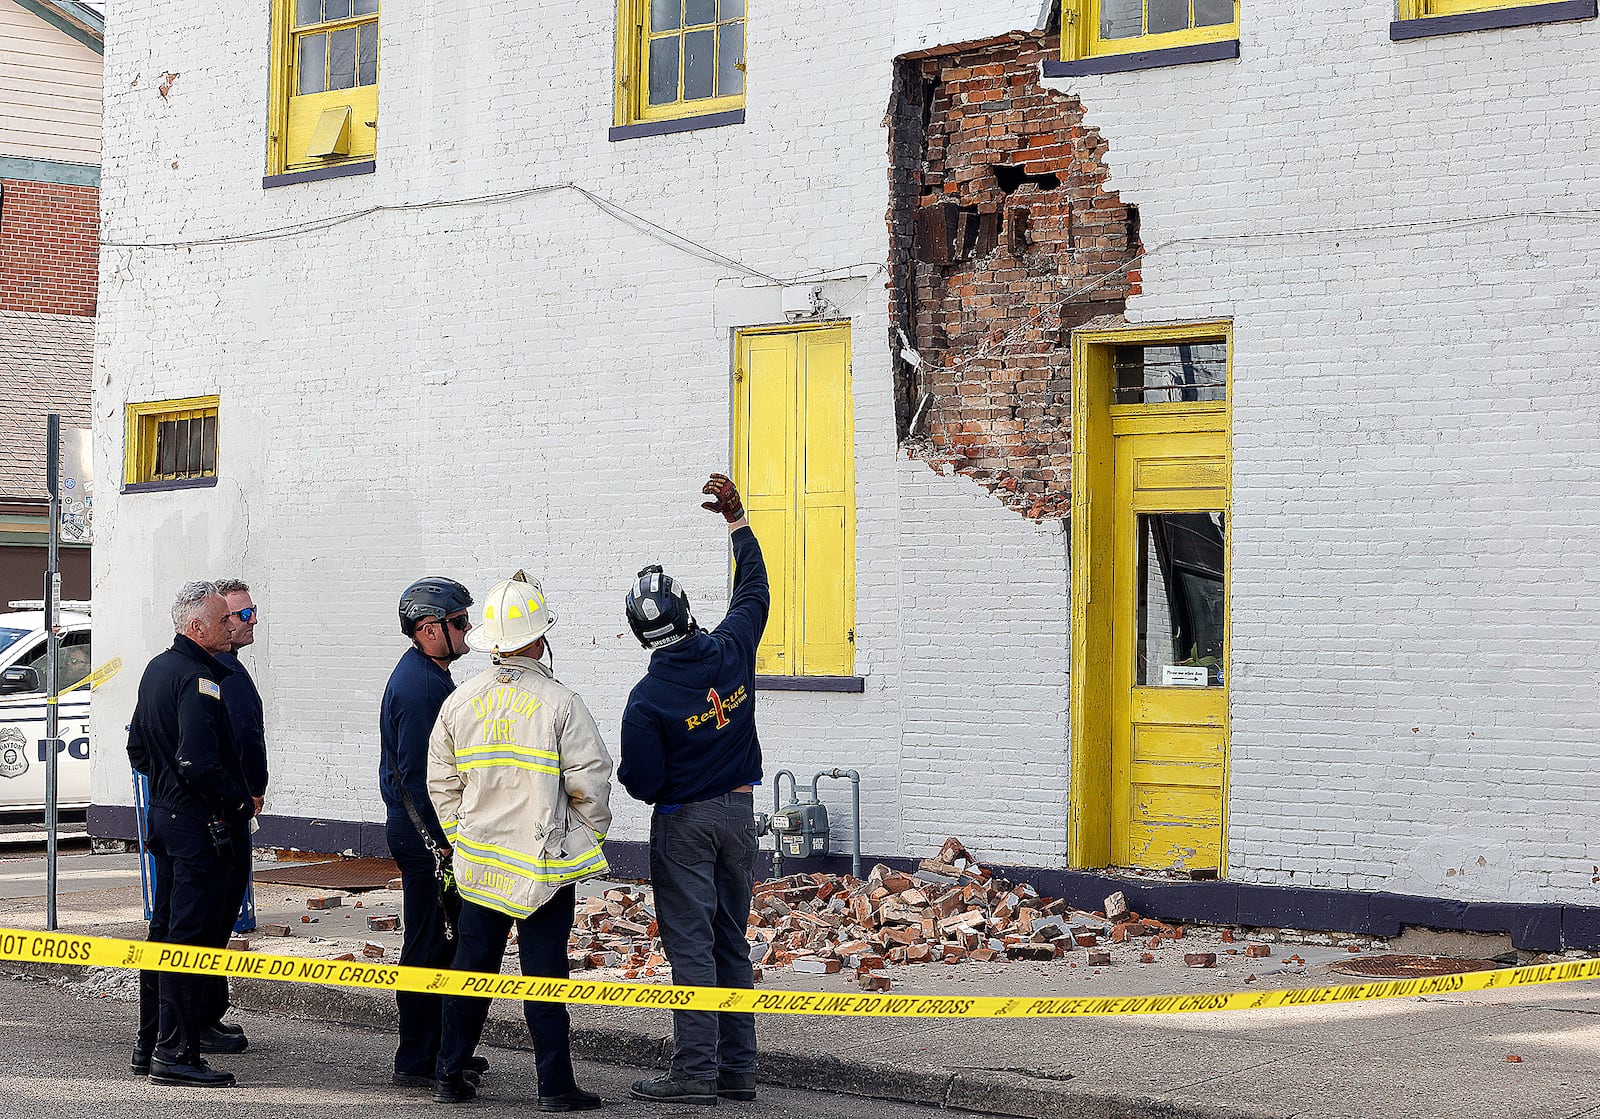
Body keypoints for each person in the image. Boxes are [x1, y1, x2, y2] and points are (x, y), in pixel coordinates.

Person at [428, 571, 613, 1109]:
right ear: (538, 638)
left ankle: (449, 1073)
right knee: (545, 982)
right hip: (542, 871)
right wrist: (577, 842)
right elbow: (591, 785)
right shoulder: (561, 703)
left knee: (470, 972)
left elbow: (441, 783)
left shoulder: (459, 702)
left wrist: (464, 838)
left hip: (480, 867)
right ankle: (555, 1088)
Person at [619, 474, 769, 1106]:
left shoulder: (647, 700)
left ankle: (695, 1074)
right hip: (739, 811)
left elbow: (643, 782)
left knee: (691, 946)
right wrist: (736, 520)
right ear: (685, 610)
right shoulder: (732, 650)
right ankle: (737, 1070)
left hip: (683, 824)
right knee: (731, 938)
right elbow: (754, 589)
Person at [126, 581, 254, 1088]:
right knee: (190, 939)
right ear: (196, 628)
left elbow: (138, 748)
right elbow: (198, 761)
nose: (232, 626)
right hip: (197, 826)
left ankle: (149, 1041)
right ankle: (175, 1052)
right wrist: (239, 803)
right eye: (224, 621)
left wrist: (165, 792)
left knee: (164, 932)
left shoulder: (158, 668)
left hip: (166, 817)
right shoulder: (200, 678)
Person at [379, 576, 488, 1089]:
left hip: (426, 833)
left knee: (441, 942)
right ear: (428, 629)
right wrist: (442, 843)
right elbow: (420, 778)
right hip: (425, 836)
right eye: (459, 622)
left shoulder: (429, 675)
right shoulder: (422, 686)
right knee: (428, 942)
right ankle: (417, 1057)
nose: (468, 630)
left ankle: (443, 1048)